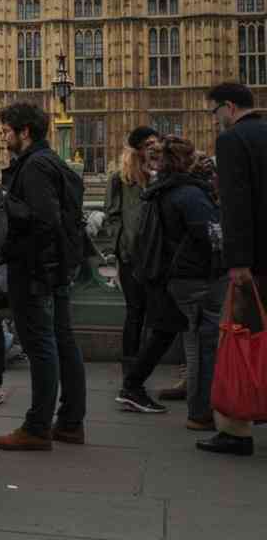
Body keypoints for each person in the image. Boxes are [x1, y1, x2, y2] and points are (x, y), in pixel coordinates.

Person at [0, 102, 87, 452]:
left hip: (35, 271)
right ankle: (71, 422)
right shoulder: (53, 162)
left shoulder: (33, 167)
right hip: (57, 267)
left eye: (5, 132)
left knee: (40, 346)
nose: (3, 138)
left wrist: (0, 198)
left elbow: (42, 220)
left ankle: (37, 426)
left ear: (24, 131)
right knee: (63, 341)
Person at [115, 136, 221, 423]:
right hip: (187, 275)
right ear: (184, 162)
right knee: (199, 342)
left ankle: (133, 386)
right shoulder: (188, 194)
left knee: (166, 331)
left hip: (162, 274)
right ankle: (200, 411)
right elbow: (211, 237)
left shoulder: (157, 190)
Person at [201, 82, 266, 456]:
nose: (214, 121)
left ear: (228, 107)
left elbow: (235, 205)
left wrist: (238, 262)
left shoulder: (232, 141)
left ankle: (236, 430)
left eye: (214, 112)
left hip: (253, 262)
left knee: (241, 340)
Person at [104, 128, 160, 380]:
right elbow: (112, 216)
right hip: (132, 256)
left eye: (156, 143)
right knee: (135, 312)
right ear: (136, 149)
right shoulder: (121, 178)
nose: (154, 147)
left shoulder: (161, 175)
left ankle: (143, 369)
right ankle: (131, 371)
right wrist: (121, 248)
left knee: (157, 314)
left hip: (160, 256)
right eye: (149, 143)